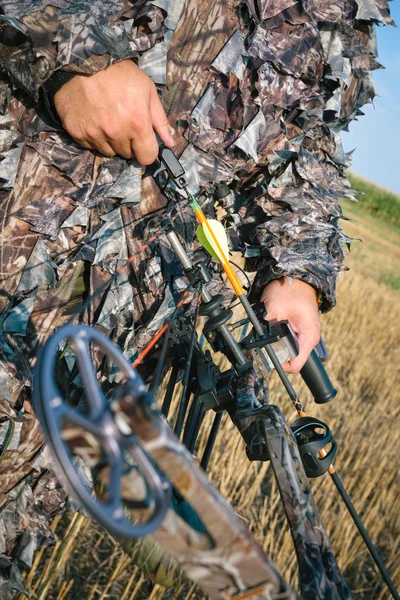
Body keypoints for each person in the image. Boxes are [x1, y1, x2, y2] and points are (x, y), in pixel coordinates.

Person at [0, 0, 393, 596]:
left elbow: (305, 147)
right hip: (17, 224)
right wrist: (75, 56)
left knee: (18, 504)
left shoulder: (342, 15)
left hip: (113, 336)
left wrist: (297, 265)